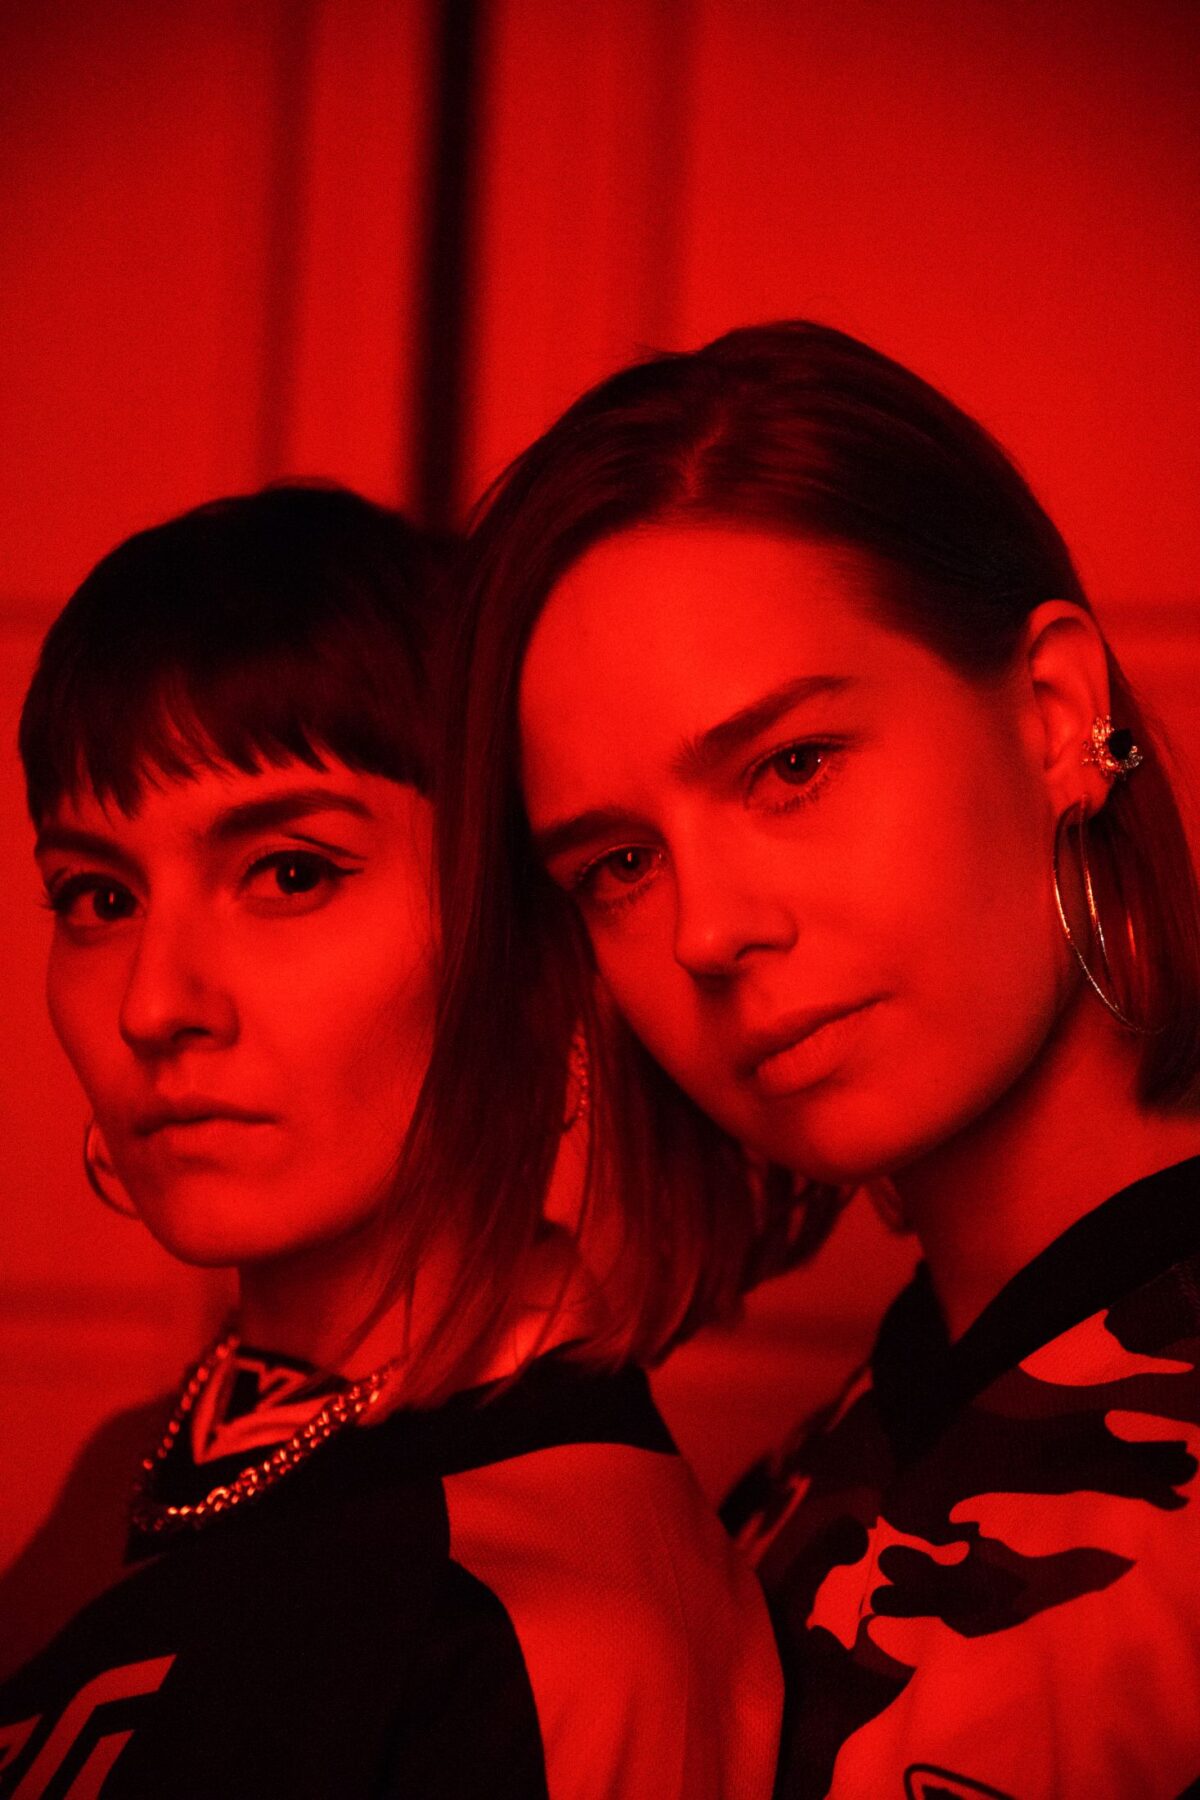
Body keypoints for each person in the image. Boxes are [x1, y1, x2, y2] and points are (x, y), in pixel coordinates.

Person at [409, 322, 1200, 1798]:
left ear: (1055, 719)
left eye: (790, 767)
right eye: (619, 863)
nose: (707, 931)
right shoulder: (785, 1506)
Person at [0, 484, 781, 1799]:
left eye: (289, 872)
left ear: (527, 950)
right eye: (97, 895)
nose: (151, 1005)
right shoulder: (144, 1457)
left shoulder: (547, 1632)